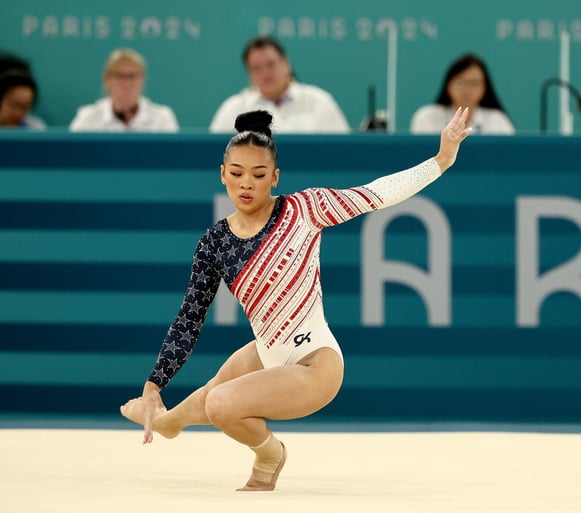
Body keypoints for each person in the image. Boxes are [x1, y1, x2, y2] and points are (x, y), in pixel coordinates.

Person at [120, 107, 472, 491]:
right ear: (222, 174)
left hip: (315, 365)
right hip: (266, 352)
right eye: (236, 173)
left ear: (275, 177)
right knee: (197, 405)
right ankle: (167, 421)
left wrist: (441, 160)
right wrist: (154, 386)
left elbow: (376, 194)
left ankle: (270, 455)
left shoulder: (304, 209)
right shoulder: (214, 242)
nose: (246, 184)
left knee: (219, 404)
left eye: (258, 175)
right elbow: (189, 319)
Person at [210, 36, 350, 134]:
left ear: (286, 63)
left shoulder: (320, 102)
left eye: (271, 64)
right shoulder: (235, 109)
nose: (266, 74)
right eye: (257, 68)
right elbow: (213, 156)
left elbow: (344, 153)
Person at [69, 48, 178, 132]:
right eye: (120, 76)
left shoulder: (162, 118)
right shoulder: (88, 118)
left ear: (143, 79)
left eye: (132, 76)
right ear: (107, 79)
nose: (126, 83)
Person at [410, 53, 514, 135]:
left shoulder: (497, 121)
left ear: (484, 88)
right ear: (448, 85)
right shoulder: (427, 118)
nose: (467, 90)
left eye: (474, 83)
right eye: (460, 82)